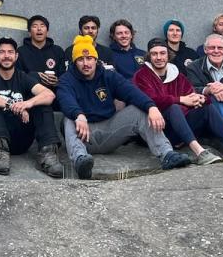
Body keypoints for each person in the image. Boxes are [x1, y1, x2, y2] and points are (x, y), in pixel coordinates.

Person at [57, 35, 191, 178]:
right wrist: (78, 114)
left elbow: (131, 91)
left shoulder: (108, 76)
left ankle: (166, 154)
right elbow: (65, 99)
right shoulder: (67, 79)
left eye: (89, 58)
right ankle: (80, 160)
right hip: (83, 134)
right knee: (68, 118)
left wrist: (151, 107)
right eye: (80, 59)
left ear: (96, 60)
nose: (85, 63)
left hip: (109, 130)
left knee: (139, 110)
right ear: (74, 62)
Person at [134, 38, 223, 163]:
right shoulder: (141, 75)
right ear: (149, 56)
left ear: (168, 54)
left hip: (180, 128)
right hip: (158, 130)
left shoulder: (176, 74)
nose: (159, 57)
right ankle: (200, 152)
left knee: (207, 107)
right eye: (154, 54)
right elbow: (148, 99)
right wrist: (181, 99)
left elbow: (190, 94)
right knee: (173, 107)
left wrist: (200, 99)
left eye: (162, 53)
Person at [0, 37, 63, 177]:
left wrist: (28, 104)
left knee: (42, 105)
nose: (6, 56)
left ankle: (48, 154)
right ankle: (1, 154)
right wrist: (10, 105)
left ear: (16, 56)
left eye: (10, 52)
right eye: (2, 52)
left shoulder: (23, 77)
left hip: (20, 139)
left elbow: (49, 95)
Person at [16, 15, 65, 93]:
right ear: (29, 32)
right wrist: (34, 76)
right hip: (29, 96)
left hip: (54, 95)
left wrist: (58, 81)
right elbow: (17, 76)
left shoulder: (58, 51)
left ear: (47, 31)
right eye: (35, 26)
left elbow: (65, 75)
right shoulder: (20, 52)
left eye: (42, 26)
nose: (39, 29)